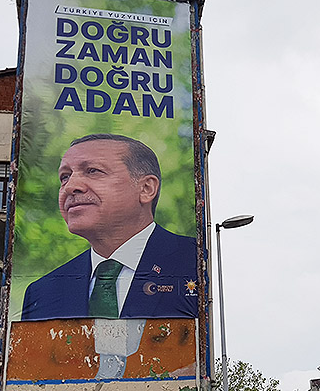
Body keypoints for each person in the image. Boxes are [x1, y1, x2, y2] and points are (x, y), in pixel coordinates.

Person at [22, 134, 198, 320]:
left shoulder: (198, 262)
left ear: (146, 188)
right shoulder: (42, 293)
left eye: (92, 171)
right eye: (65, 177)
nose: (70, 187)